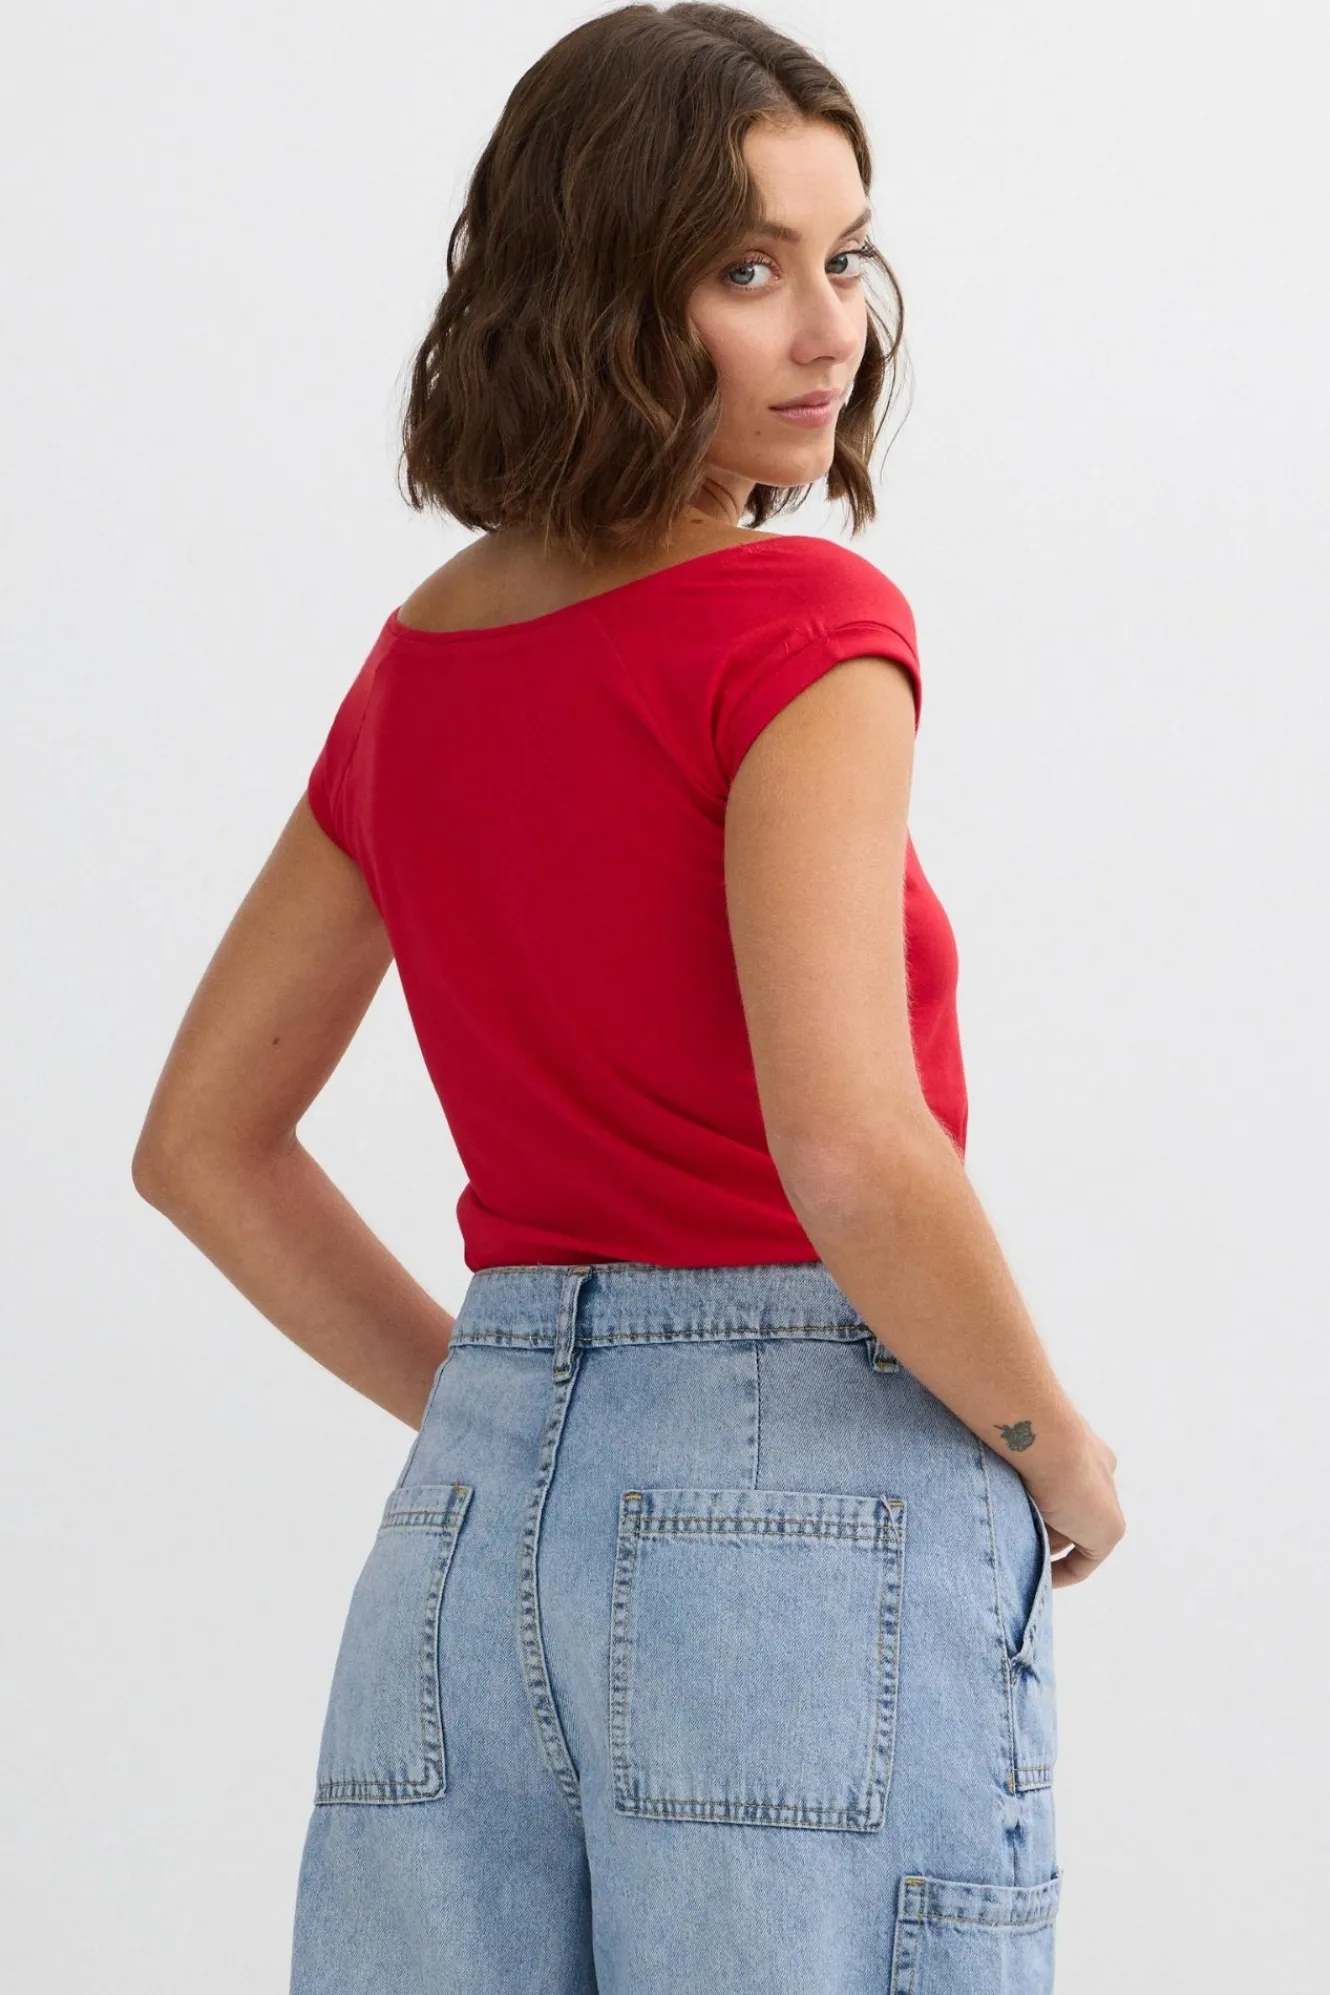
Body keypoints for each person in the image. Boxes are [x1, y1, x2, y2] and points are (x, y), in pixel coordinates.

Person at [131, 5, 1125, 1990]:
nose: (827, 332)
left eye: (844, 257)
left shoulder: (420, 665)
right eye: (746, 270)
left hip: (474, 1516)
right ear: (595, 293)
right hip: (813, 1488)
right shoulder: (800, 623)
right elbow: (850, 1147)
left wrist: (519, 1408)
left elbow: (200, 1146)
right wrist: (1048, 1447)